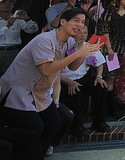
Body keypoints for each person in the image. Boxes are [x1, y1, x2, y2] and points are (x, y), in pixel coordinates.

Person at [0, 8, 102, 157]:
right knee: (36, 127)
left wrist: (85, 51)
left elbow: (72, 66)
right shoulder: (44, 40)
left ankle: (37, 153)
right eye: (76, 21)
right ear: (62, 21)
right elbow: (46, 70)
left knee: (55, 121)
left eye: (82, 22)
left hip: (39, 93)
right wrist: (79, 53)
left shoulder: (70, 41)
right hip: (17, 92)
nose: (80, 25)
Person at [59, 26, 110, 134]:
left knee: (100, 88)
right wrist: (69, 82)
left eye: (85, 32)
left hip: (82, 77)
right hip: (64, 80)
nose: (82, 35)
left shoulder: (89, 46)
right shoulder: (64, 47)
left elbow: (99, 63)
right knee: (75, 93)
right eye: (79, 32)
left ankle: (98, 121)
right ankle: (76, 126)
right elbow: (54, 72)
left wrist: (99, 76)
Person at [96, 0, 125, 114]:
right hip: (108, 45)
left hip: (119, 47)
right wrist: (109, 48)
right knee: (106, 75)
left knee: (112, 77)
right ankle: (102, 107)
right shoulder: (110, 9)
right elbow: (104, 29)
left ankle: (110, 106)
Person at [0, 0, 38, 76]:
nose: (7, 4)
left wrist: (27, 19)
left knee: (9, 77)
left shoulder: (17, 20)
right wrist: (7, 26)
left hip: (12, 52)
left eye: (10, 3)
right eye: (4, 3)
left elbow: (32, 30)